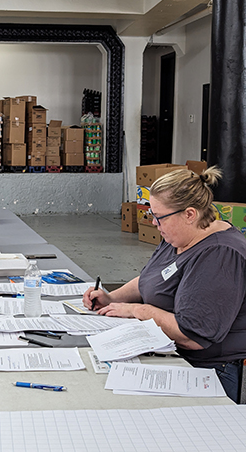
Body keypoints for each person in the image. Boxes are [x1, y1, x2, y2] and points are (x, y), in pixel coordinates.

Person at [83, 166, 246, 403]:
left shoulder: (220, 254)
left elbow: (192, 336)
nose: (154, 223)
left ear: (189, 214)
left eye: (159, 217)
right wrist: (111, 298)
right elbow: (152, 280)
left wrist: (138, 311)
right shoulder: (179, 236)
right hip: (169, 351)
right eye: (152, 214)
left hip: (207, 370)